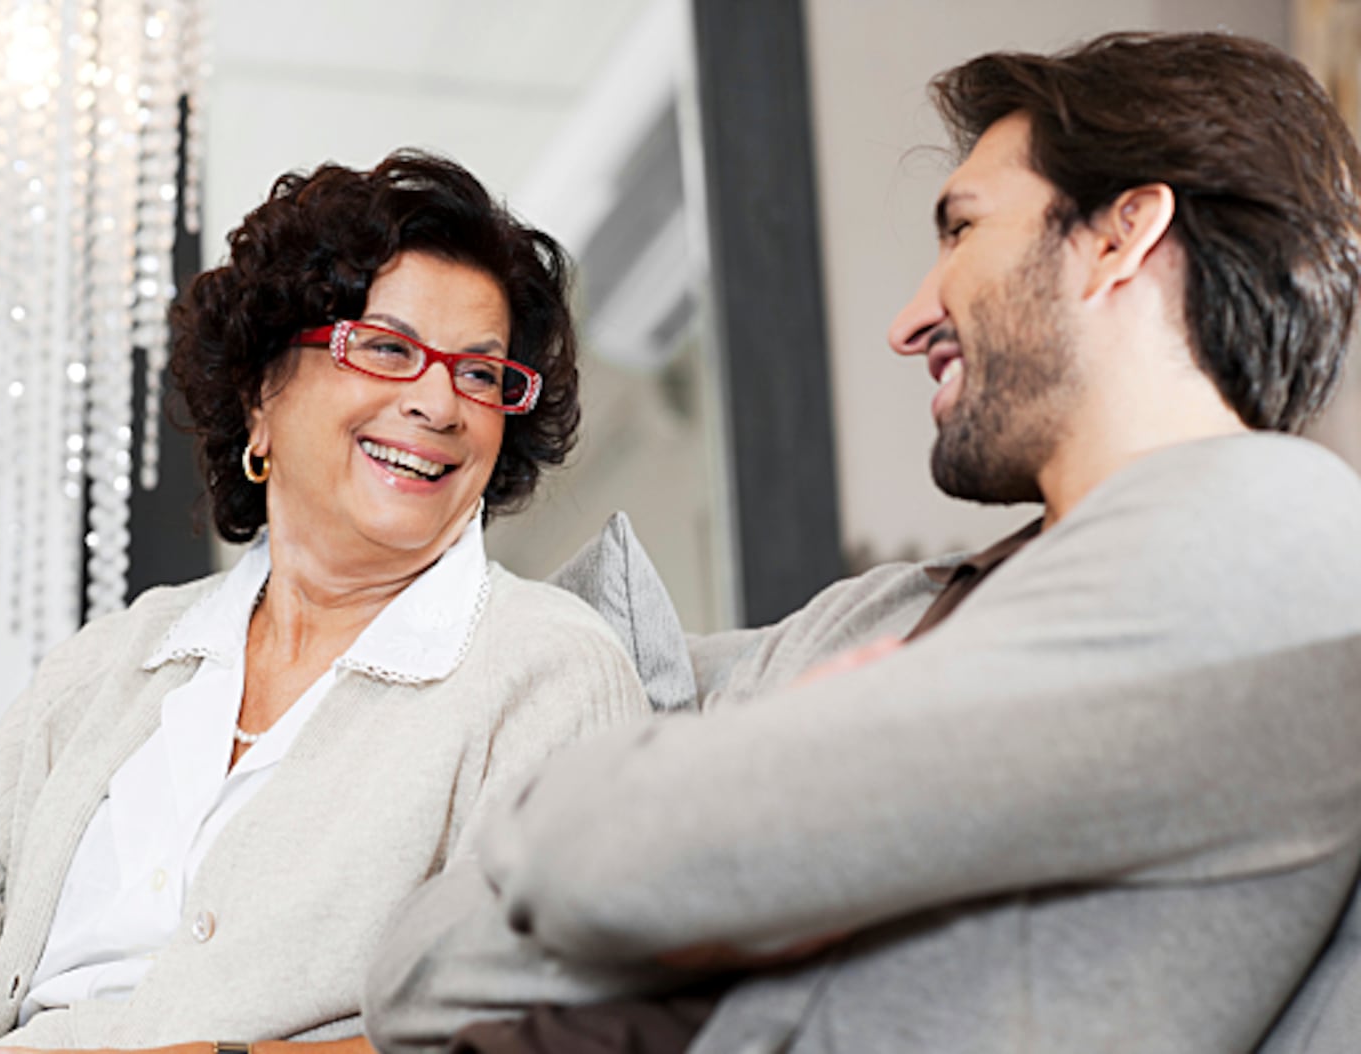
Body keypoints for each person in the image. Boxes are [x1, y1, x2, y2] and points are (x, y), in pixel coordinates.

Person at [360, 32, 1361, 1054]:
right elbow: (413, 976)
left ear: (1120, 236)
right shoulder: (894, 611)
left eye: (962, 228)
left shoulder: (1267, 535)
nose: (909, 319)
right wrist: (733, 870)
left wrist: (671, 858)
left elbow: (604, 856)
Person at [0, 152, 652, 1053]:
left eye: (482, 375)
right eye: (386, 348)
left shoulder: (546, 670)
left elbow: (546, 1026)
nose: (438, 403)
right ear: (261, 395)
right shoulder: (119, 658)